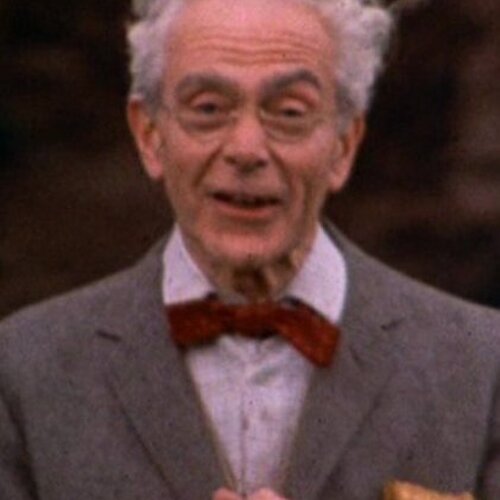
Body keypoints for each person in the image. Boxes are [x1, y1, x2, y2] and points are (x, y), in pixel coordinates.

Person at [0, 0, 499, 498]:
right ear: (149, 135)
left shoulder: (483, 366)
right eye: (208, 109)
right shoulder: (24, 371)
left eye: (289, 113)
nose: (246, 149)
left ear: (344, 145)